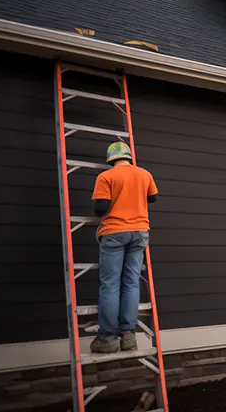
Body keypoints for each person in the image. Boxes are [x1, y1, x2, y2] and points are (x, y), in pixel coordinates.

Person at [89, 141, 158, 354]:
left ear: (110, 158)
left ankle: (108, 337)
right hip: (139, 233)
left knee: (110, 284)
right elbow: (153, 197)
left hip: (115, 232)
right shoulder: (144, 174)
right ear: (128, 156)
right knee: (131, 282)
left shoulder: (106, 177)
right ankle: (128, 335)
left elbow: (100, 208)